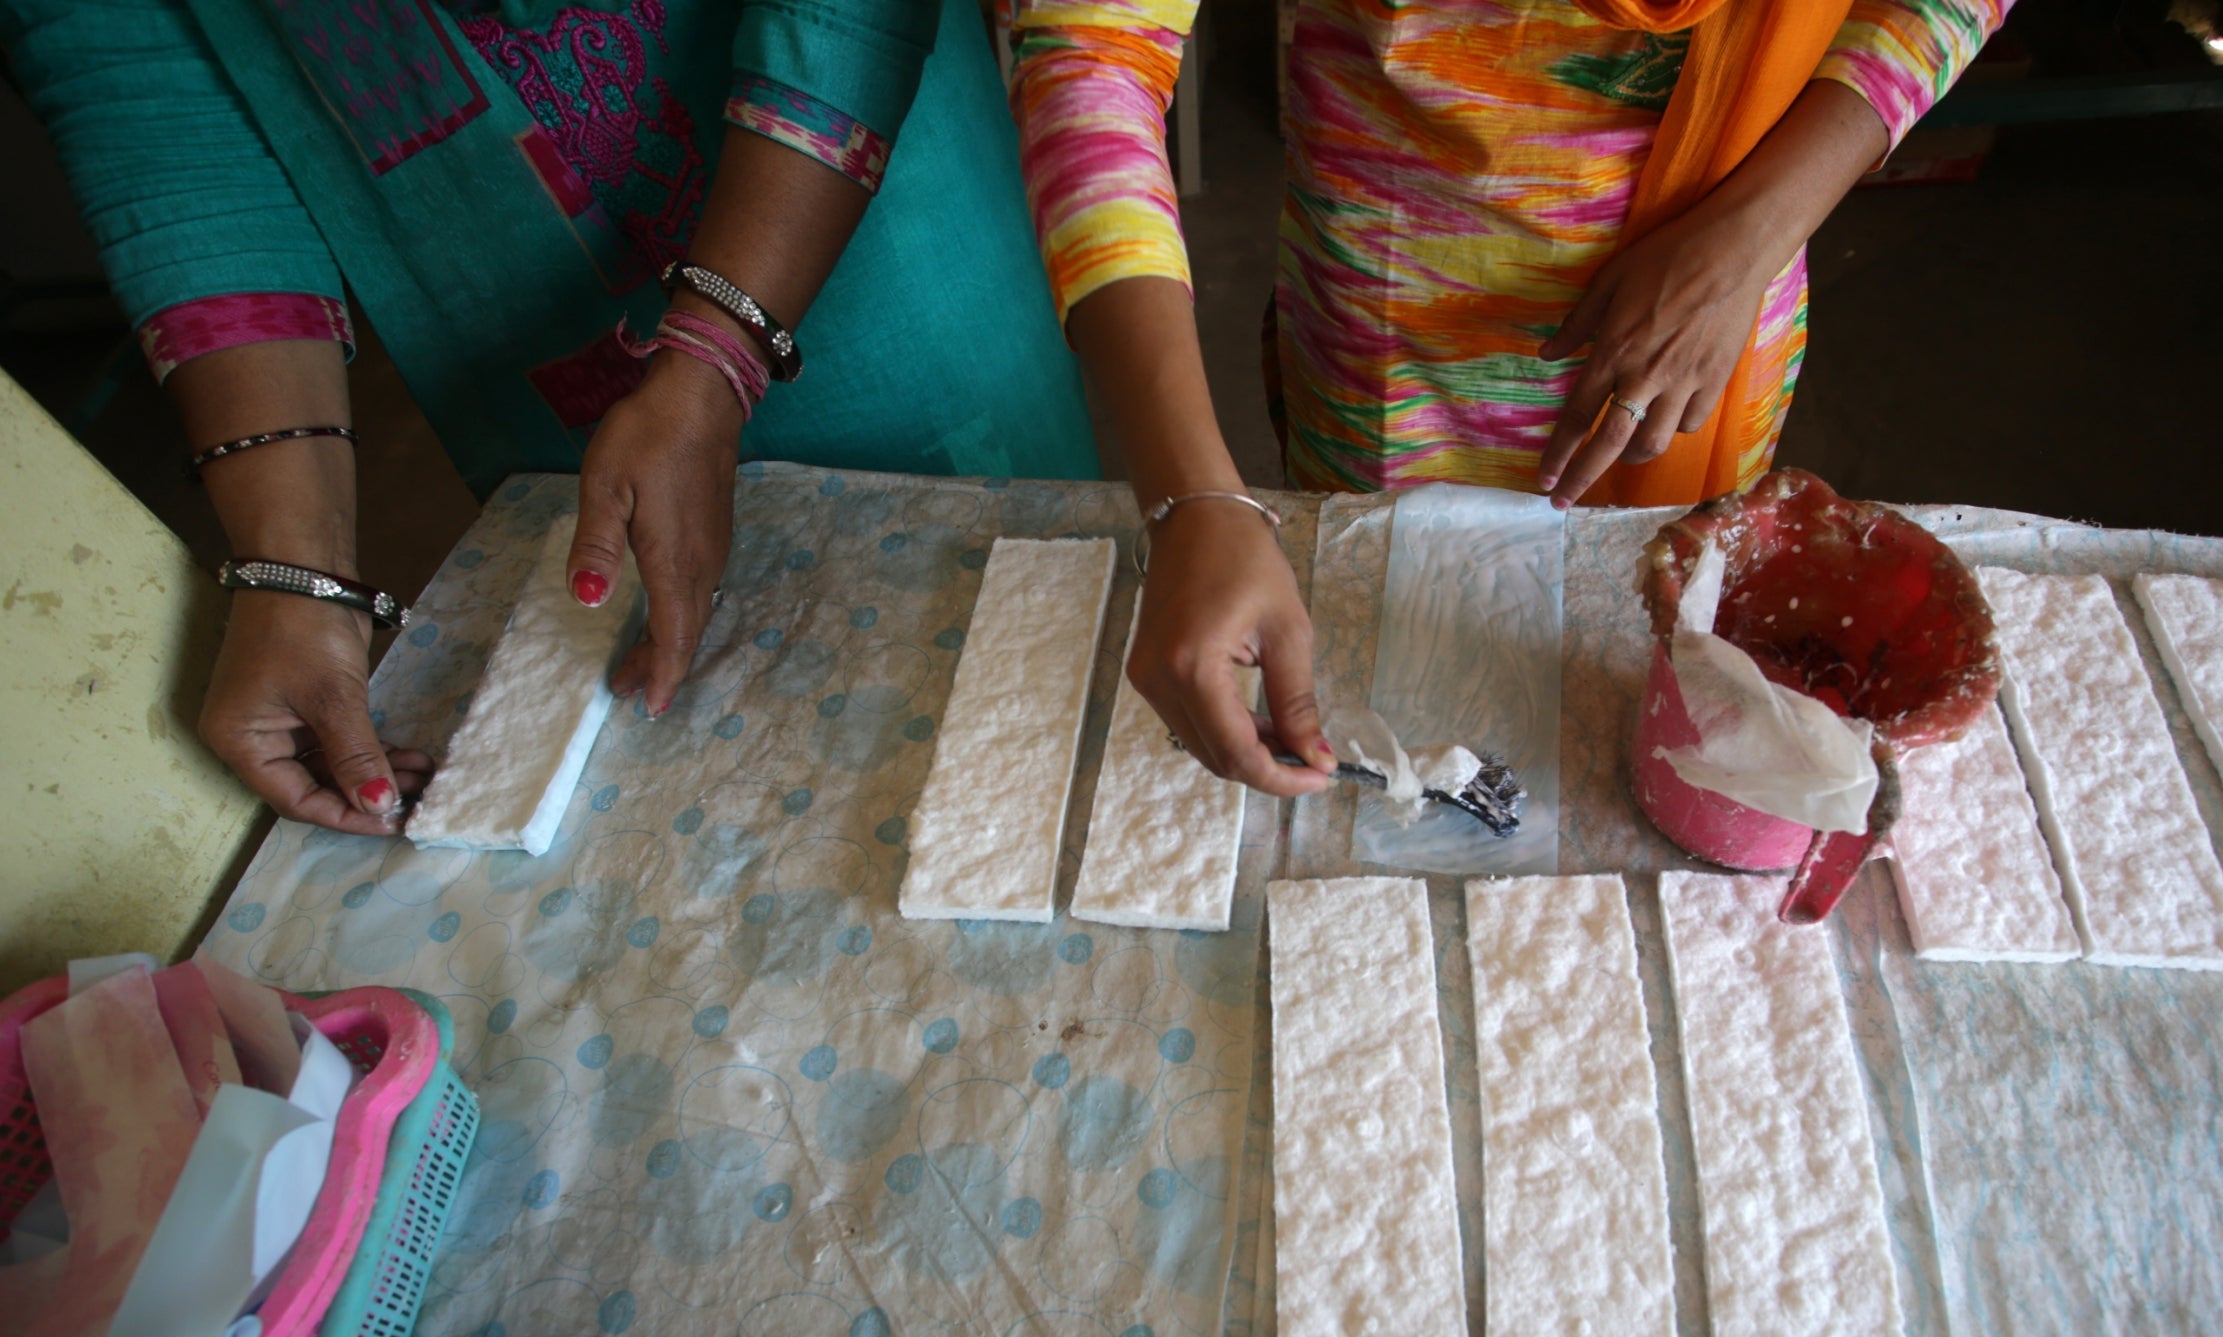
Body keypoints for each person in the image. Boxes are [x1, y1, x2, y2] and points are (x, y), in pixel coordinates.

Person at [2, 0, 1099, 836]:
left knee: (1032, 680)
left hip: (853, 211)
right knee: (664, 759)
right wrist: (295, 570)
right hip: (514, 317)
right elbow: (140, 77)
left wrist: (720, 348)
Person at [1010, 0, 2007, 795]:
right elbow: (1088, 48)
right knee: (1385, 694)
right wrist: (1191, 496)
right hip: (1394, 350)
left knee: (1674, 697)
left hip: (1709, 342)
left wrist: (1751, 235)